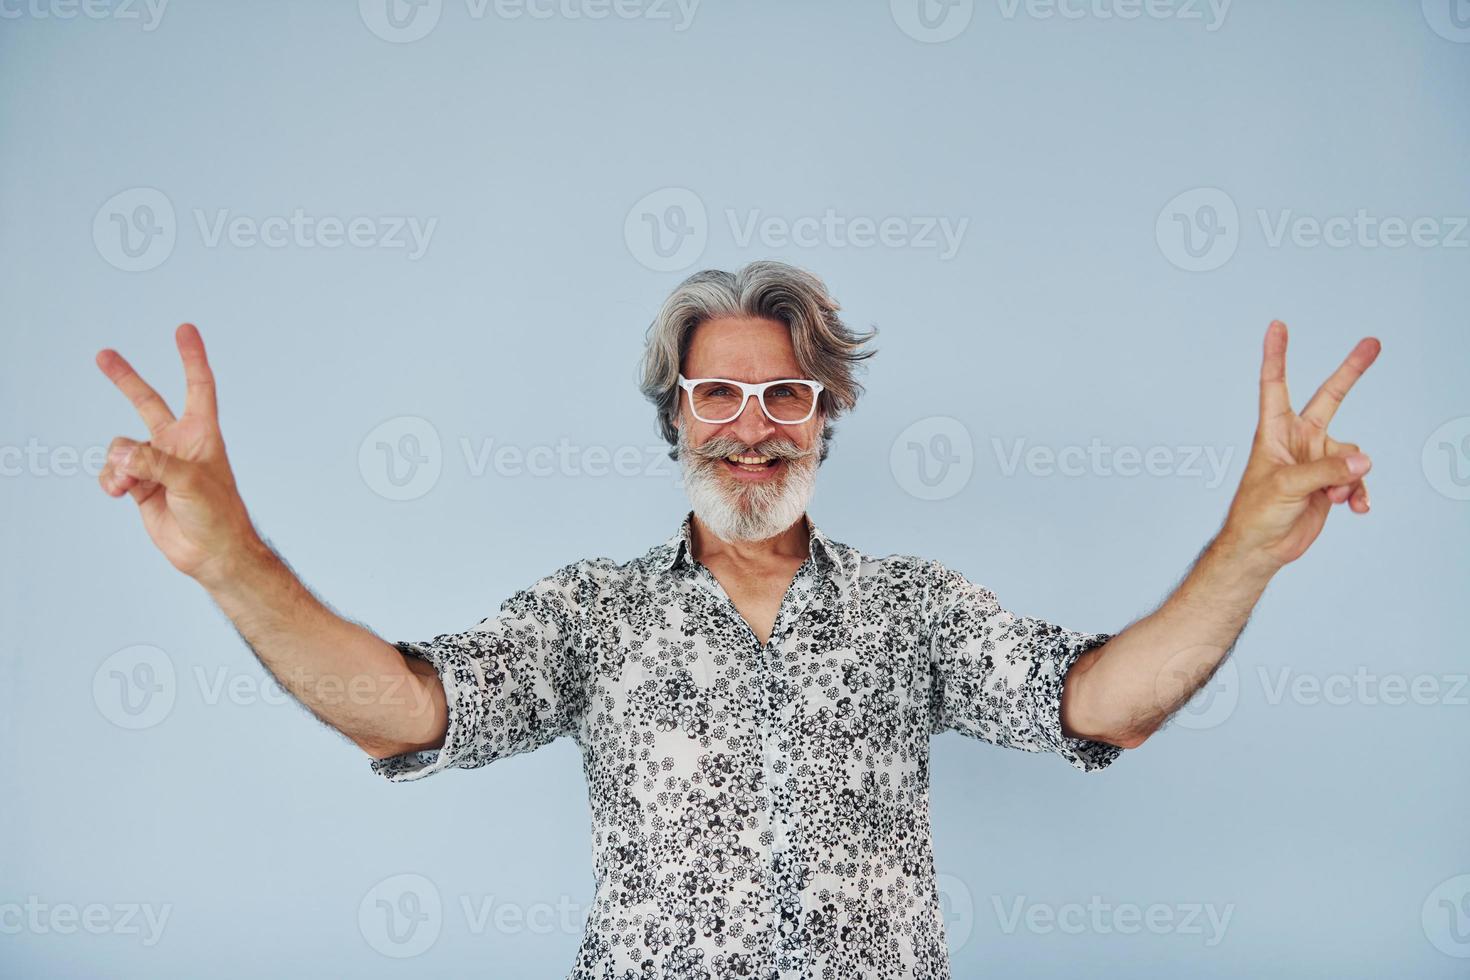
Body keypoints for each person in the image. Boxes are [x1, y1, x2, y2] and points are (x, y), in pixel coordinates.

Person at [94, 260, 1379, 979]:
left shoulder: (916, 609)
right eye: (717, 393)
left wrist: (1252, 544)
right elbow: (406, 711)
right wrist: (230, 560)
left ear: (826, 418)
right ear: (675, 420)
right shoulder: (591, 613)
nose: (752, 424)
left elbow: (1100, 700)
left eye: (787, 396)